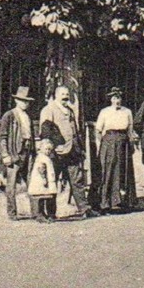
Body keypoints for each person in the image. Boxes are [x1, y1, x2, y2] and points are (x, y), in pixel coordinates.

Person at [40, 85, 89, 217]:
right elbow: (45, 131)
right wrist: (51, 148)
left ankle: (84, 209)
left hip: (72, 151)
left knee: (77, 180)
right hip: (57, 152)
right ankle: (51, 213)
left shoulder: (70, 111)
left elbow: (76, 131)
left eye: (67, 94)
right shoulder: (48, 110)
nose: (65, 96)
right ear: (56, 95)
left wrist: (80, 148)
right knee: (52, 181)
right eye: (62, 94)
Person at [93, 87, 138, 212]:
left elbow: (130, 129)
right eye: (114, 98)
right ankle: (105, 202)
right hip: (109, 141)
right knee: (108, 170)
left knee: (123, 170)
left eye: (118, 98)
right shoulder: (105, 112)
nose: (117, 100)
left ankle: (122, 201)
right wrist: (100, 145)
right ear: (110, 100)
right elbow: (98, 130)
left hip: (123, 142)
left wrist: (132, 143)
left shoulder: (127, 111)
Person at [0, 85, 35, 220]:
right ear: (16, 101)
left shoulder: (28, 117)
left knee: (32, 183)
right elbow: (2, 137)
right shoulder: (9, 115)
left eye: (27, 101)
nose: (25, 103)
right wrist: (5, 155)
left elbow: (30, 135)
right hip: (14, 153)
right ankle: (12, 213)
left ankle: (36, 212)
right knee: (11, 185)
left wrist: (33, 152)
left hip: (28, 152)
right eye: (22, 100)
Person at [28, 129, 60, 222]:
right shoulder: (42, 158)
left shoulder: (47, 158)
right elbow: (41, 169)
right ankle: (39, 214)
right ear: (41, 149)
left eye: (49, 149)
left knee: (45, 197)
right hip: (42, 180)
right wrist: (44, 178)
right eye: (46, 149)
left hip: (47, 180)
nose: (48, 151)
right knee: (40, 197)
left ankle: (45, 214)